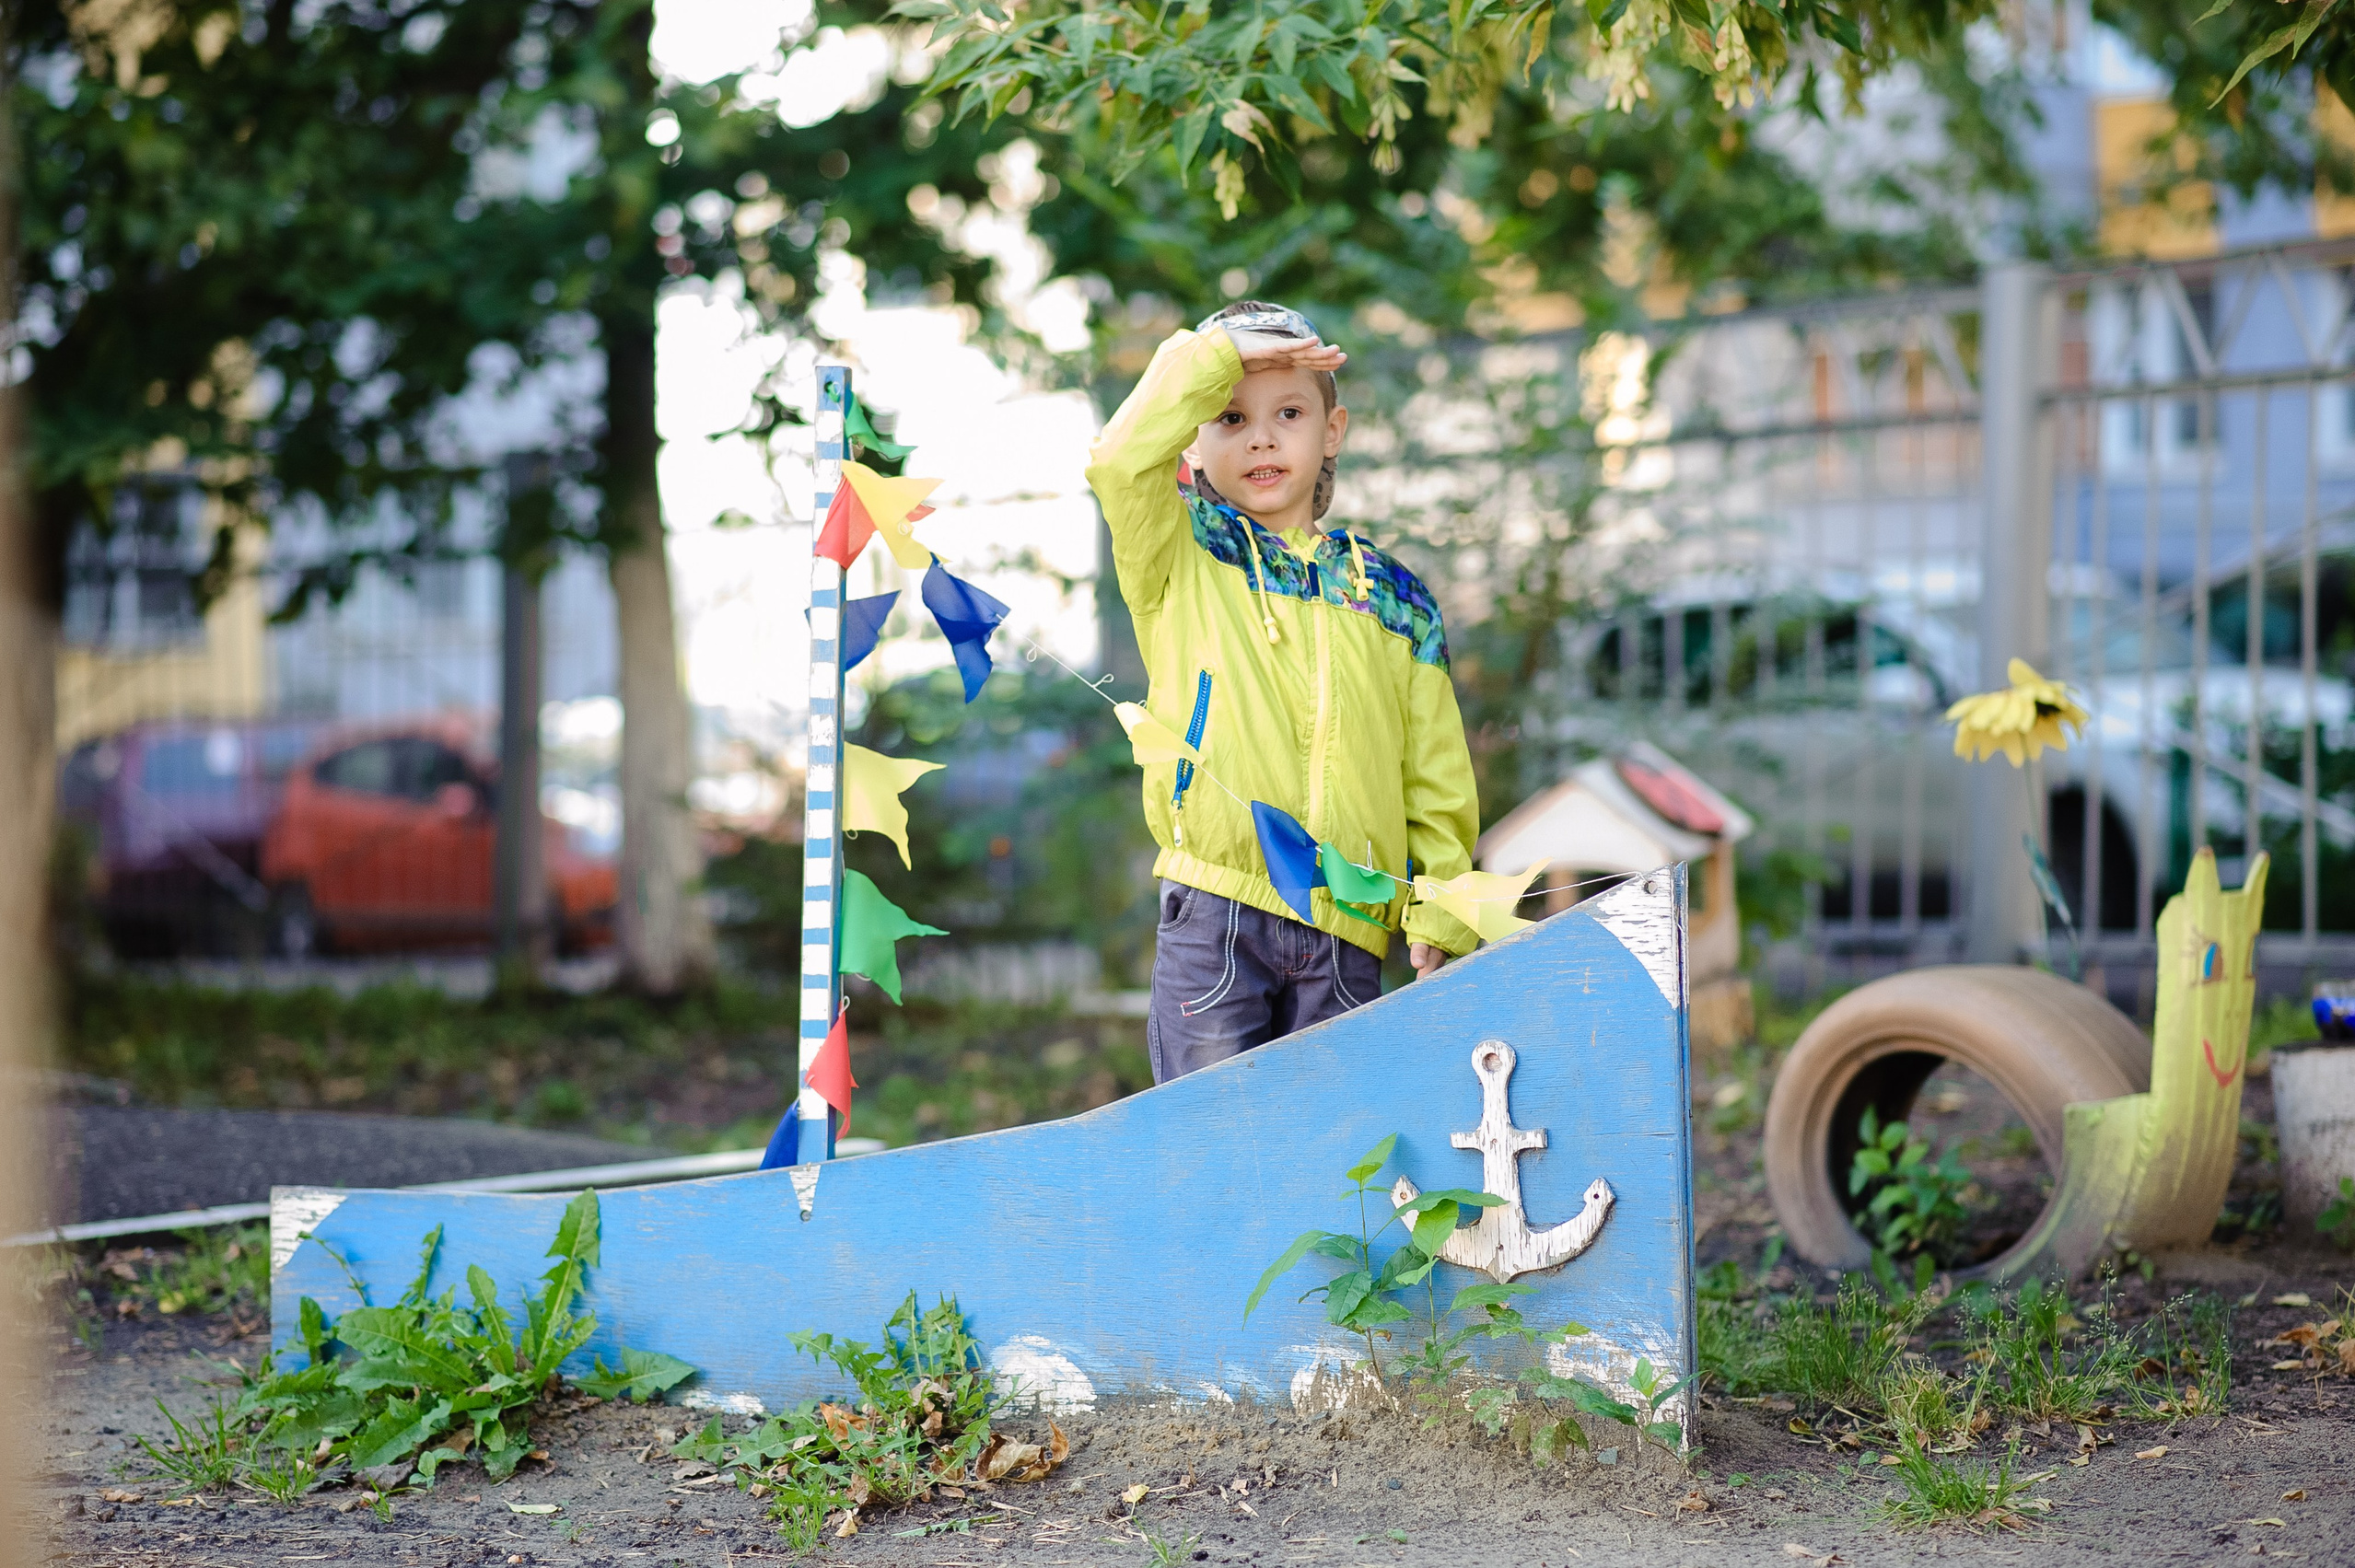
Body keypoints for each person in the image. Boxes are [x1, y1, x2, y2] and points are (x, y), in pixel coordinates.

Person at [1084, 301, 1482, 1084]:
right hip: (1218, 910)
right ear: (1191, 440)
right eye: (1229, 417)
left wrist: (1441, 902)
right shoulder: (1180, 550)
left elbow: (1433, 771)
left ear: (1331, 432)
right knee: (1214, 1147)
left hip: (1348, 926)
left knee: (1337, 1156)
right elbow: (1118, 458)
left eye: (1288, 413)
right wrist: (1215, 354)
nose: (1261, 437)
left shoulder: (1395, 599)